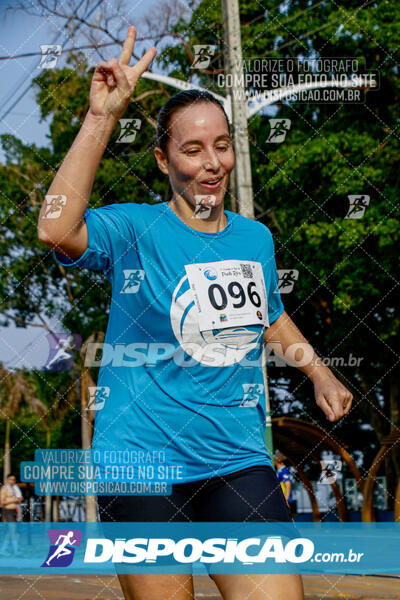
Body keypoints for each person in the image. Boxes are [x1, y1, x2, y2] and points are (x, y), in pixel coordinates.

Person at [37, 25, 353, 600]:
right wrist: (101, 118)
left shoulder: (254, 238)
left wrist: (318, 371)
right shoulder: (135, 229)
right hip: (140, 465)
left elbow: (270, 317)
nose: (212, 163)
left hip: (236, 460)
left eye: (223, 145)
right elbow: (56, 228)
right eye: (192, 149)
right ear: (162, 159)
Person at [0, 473, 23, 556]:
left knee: (11, 532)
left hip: (14, 511)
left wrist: (19, 513)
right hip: (8, 511)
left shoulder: (14, 489)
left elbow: (19, 500)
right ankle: (15, 550)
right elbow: (1, 502)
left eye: (14, 479)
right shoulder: (4, 489)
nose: (13, 481)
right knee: (12, 531)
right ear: (7, 480)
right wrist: (13, 500)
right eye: (11, 479)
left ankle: (3, 549)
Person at [274, 451, 297, 517]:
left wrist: (286, 500)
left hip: (284, 500)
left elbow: (288, 485)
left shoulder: (283, 470)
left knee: (287, 518)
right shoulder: (278, 471)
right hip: (280, 499)